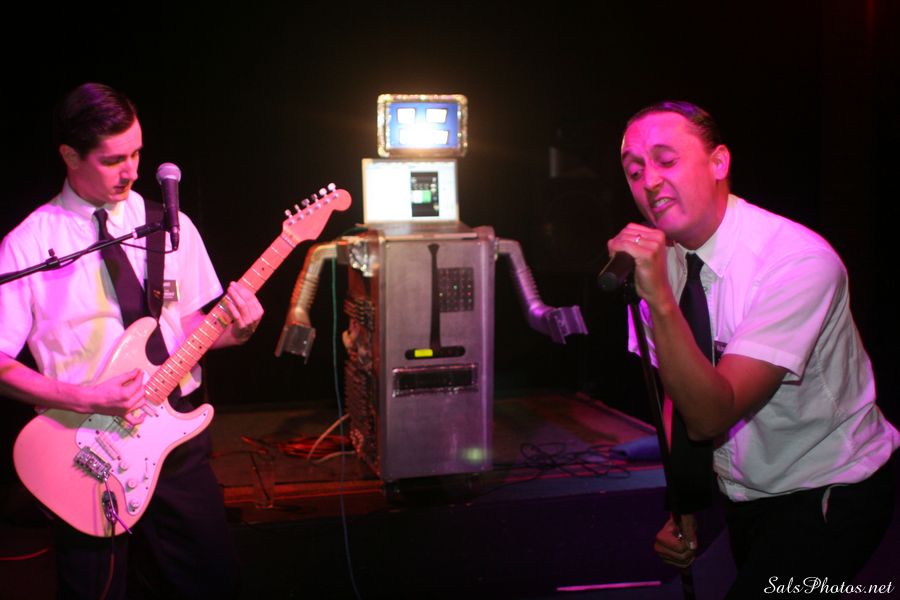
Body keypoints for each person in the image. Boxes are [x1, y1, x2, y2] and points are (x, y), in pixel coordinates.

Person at [608, 101, 899, 597]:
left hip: (828, 488)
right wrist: (685, 503)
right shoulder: (664, 262)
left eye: (666, 160)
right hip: (744, 494)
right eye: (635, 171)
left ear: (719, 162)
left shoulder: (797, 262)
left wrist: (659, 298)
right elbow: (680, 392)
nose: (649, 181)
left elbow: (711, 415)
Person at [0, 83, 264, 599]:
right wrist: (87, 397)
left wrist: (239, 328)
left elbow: (185, 328)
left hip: (173, 438)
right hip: (82, 450)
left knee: (213, 582)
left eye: (137, 153)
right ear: (69, 156)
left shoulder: (169, 225)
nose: (131, 171)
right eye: (112, 159)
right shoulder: (29, 244)